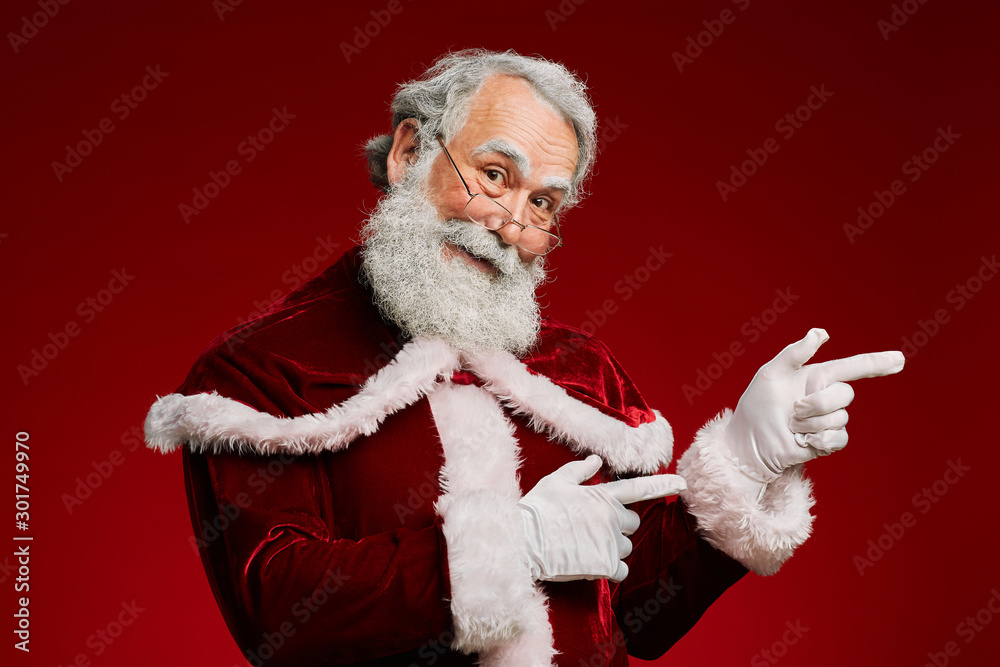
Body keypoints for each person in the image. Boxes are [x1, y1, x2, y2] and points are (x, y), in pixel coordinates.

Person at [144, 50, 904, 666]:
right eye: (496, 174)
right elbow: (274, 611)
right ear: (411, 152)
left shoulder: (581, 368)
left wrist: (745, 458)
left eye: (543, 203)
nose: (511, 224)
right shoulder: (260, 371)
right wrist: (512, 542)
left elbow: (644, 615)